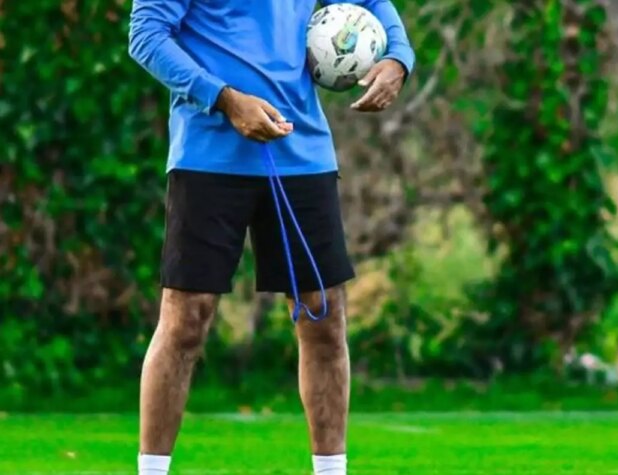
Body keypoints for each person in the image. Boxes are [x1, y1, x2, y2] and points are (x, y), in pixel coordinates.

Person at [127, 1, 415, 474]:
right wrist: (224, 99)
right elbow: (147, 36)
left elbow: (373, 5)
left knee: (324, 318)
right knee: (185, 320)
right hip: (207, 154)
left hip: (303, 153)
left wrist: (398, 57)